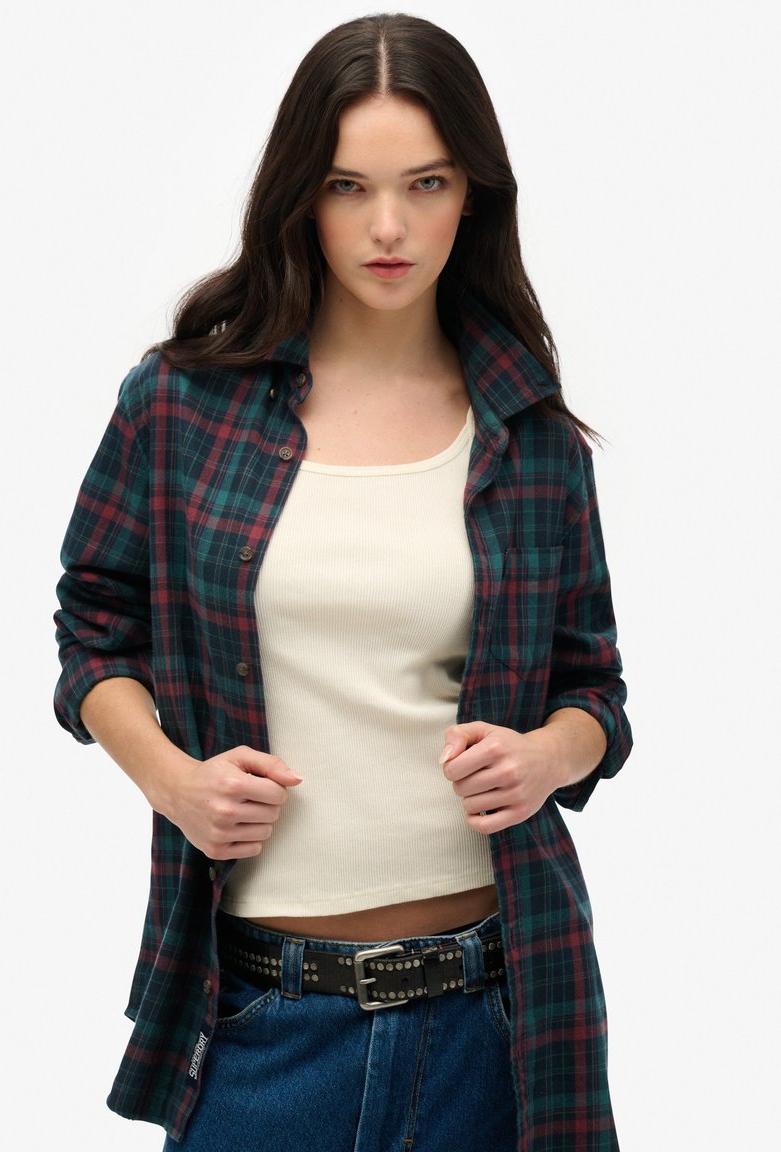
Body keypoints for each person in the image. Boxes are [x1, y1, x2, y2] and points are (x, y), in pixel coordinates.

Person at [54, 12, 632, 1151]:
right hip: (263, 1024)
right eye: (347, 186)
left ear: (472, 197)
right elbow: (93, 630)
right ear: (299, 197)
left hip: (498, 1024)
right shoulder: (181, 404)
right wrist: (173, 780)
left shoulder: (528, 432)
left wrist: (546, 756)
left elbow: (595, 692)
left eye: (425, 184)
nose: (387, 227)